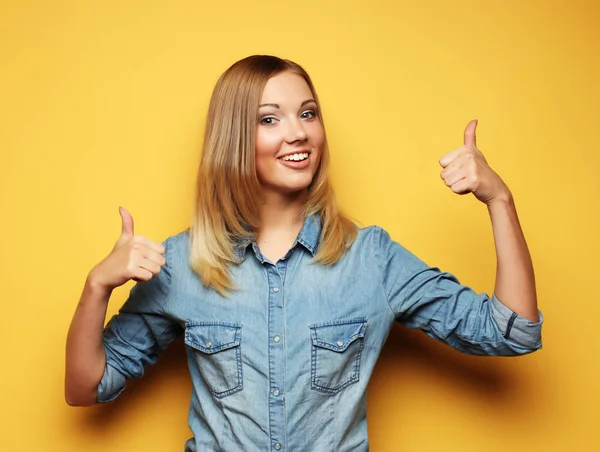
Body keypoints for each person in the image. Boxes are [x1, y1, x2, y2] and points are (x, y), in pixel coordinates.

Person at [65, 55, 544, 451]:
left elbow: (512, 332)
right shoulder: (183, 263)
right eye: (269, 119)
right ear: (233, 138)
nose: (298, 133)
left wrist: (500, 201)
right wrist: (96, 287)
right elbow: (86, 387)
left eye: (307, 113)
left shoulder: (371, 259)